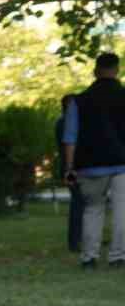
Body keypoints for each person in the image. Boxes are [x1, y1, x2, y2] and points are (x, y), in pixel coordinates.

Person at [61, 52, 125, 269]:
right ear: (117, 70)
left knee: (92, 209)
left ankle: (89, 257)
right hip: (122, 164)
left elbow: (70, 137)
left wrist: (69, 168)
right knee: (122, 210)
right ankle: (118, 257)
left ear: (95, 71)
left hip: (90, 166)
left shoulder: (77, 102)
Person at [55, 93, 83, 253]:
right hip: (71, 169)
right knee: (78, 204)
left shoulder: (61, 122)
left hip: (68, 168)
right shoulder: (67, 123)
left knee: (79, 203)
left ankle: (78, 239)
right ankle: (75, 241)